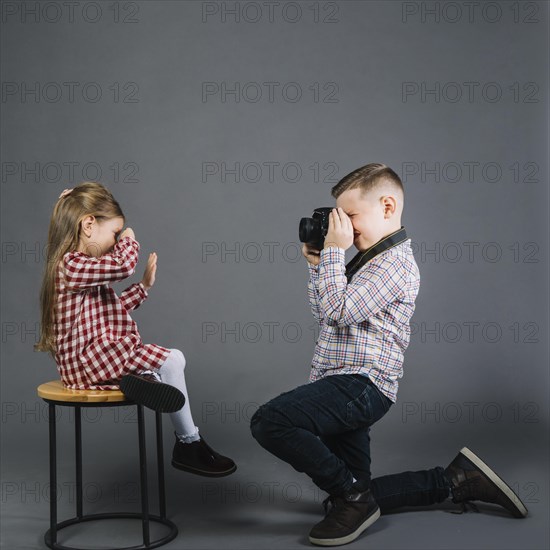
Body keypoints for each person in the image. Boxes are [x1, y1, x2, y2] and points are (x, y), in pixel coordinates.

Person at [250, 163, 527, 546]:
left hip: (361, 385)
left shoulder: (395, 264)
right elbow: (325, 312)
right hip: (342, 382)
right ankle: (455, 480)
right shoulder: (367, 260)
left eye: (349, 217)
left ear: (386, 206)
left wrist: (332, 252)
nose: (342, 228)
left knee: (270, 421)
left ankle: (354, 497)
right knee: (349, 493)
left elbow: (339, 310)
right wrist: (318, 265)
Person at [34, 182, 236, 478]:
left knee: (164, 367)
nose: (118, 240)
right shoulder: (72, 265)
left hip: (91, 359)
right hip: (88, 362)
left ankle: (143, 380)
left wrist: (143, 287)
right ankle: (188, 443)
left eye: (119, 235)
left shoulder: (82, 268)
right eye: (114, 233)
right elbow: (123, 264)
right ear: (88, 224)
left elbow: (109, 310)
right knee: (172, 360)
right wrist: (129, 238)